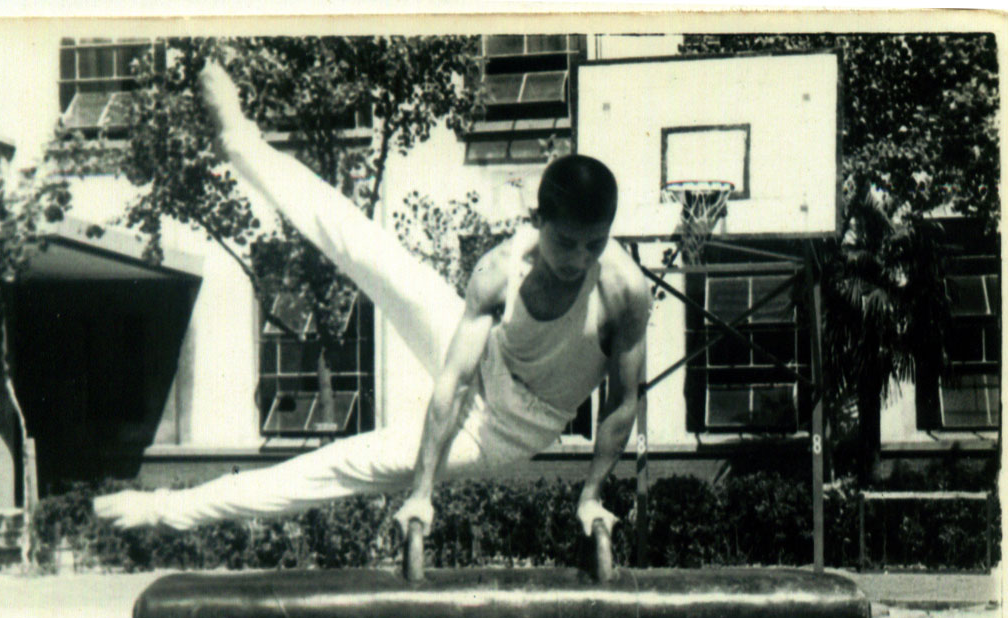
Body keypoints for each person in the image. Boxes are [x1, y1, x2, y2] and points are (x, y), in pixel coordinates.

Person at [94, 63, 652, 539]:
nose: (579, 258)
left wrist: (590, 495)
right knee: (366, 246)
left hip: (510, 427)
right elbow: (453, 382)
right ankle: (242, 140)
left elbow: (623, 401)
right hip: (485, 363)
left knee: (347, 463)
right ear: (538, 220)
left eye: (594, 244)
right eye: (565, 242)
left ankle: (166, 509)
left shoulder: (625, 291)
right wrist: (422, 491)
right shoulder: (501, 271)